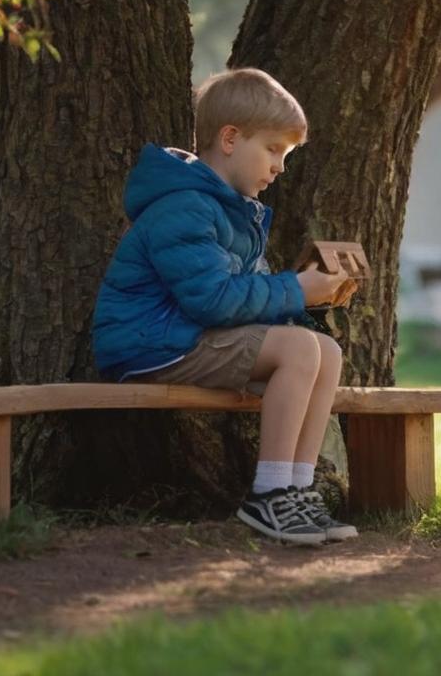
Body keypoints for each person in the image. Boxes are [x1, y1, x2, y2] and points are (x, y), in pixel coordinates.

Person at [93, 67, 358, 545]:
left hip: (187, 334)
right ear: (231, 138)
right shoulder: (186, 208)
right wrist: (296, 289)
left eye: (286, 154)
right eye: (274, 149)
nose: (280, 166)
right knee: (300, 352)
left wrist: (310, 302)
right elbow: (214, 301)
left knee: (325, 351)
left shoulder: (232, 211)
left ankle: (297, 491)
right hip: (153, 343)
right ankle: (271, 495)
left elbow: (243, 302)